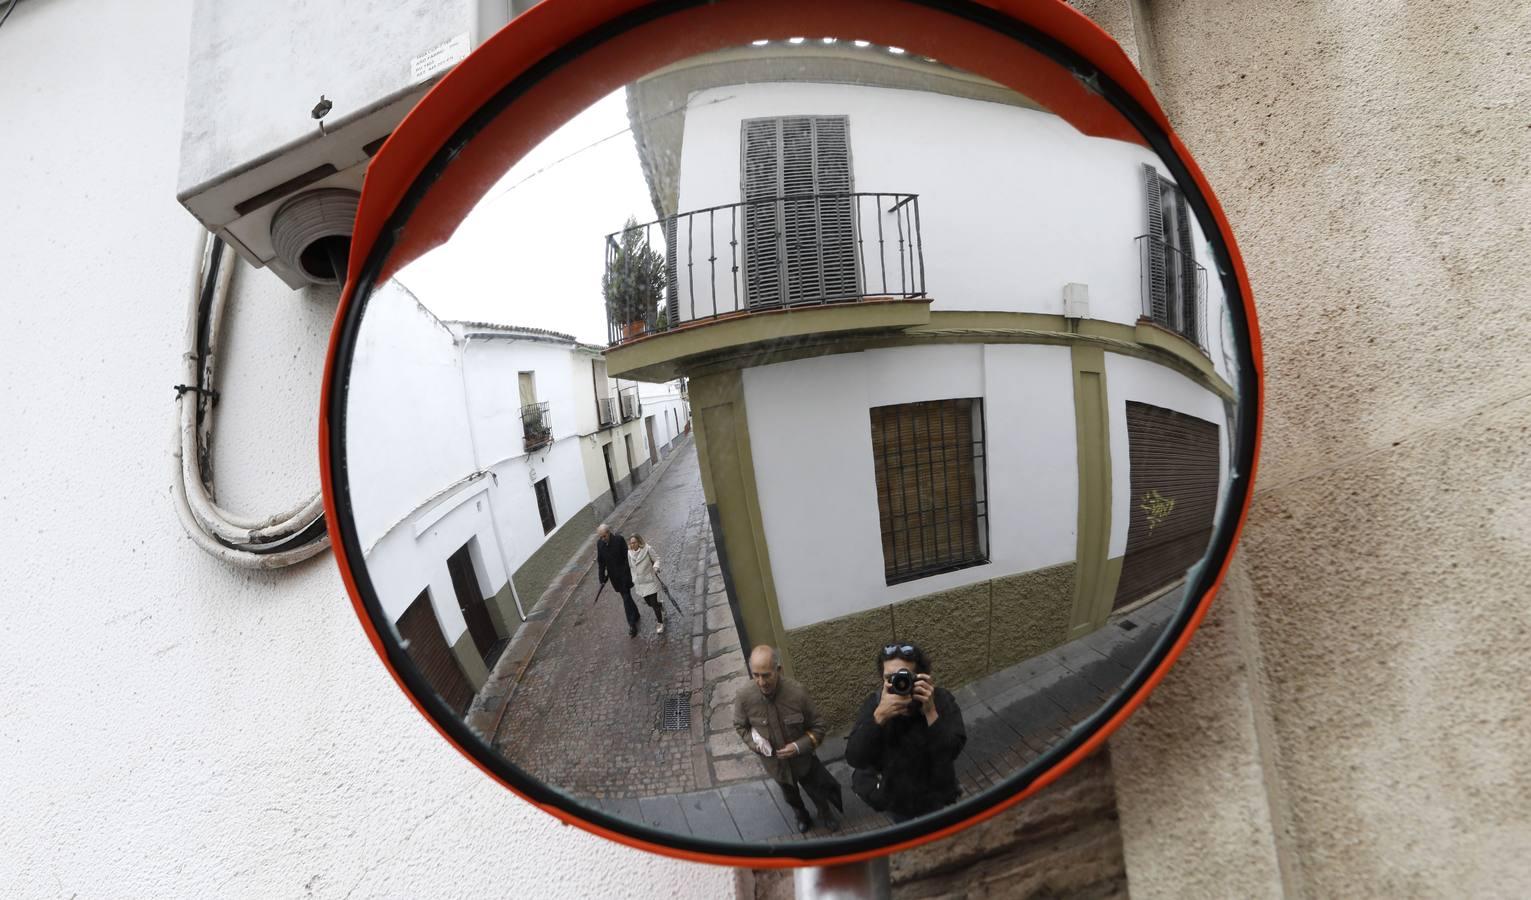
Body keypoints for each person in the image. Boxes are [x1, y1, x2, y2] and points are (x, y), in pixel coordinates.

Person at [845, 642, 966, 823]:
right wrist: (878, 718)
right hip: (898, 800)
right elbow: (855, 758)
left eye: (905, 677)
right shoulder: (874, 705)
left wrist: (931, 712)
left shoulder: (940, 700)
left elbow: (952, 751)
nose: (899, 684)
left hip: (935, 795)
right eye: (890, 678)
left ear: (922, 677)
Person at [733, 645, 843, 833]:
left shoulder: (798, 693)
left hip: (804, 762)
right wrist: (756, 744)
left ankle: (825, 813)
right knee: (790, 796)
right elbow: (740, 726)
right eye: (756, 675)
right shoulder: (744, 697)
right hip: (776, 765)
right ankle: (801, 816)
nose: (761, 682)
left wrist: (798, 747)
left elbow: (819, 727)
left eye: (766, 675)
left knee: (816, 791)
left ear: (778, 670)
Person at [595, 523, 650, 638]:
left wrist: (627, 572)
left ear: (608, 533)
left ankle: (631, 625)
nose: (602, 539)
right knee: (626, 597)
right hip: (614, 578)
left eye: (604, 536)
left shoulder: (619, 540)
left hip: (625, 575)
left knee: (625, 598)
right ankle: (636, 614)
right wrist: (601, 578)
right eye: (600, 537)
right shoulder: (600, 544)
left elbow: (627, 557)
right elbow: (601, 563)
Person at [625, 533, 667, 635]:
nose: (632, 545)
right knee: (649, 603)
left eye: (634, 542)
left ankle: (660, 623)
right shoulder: (629, 553)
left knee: (653, 604)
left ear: (639, 542)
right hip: (640, 583)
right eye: (630, 543)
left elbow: (657, 559)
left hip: (650, 580)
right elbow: (631, 567)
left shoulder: (647, 549)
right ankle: (660, 604)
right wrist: (633, 577)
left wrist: (656, 567)